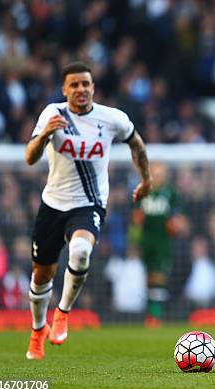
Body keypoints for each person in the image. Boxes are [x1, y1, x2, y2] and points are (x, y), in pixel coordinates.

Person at [24, 61, 152, 360]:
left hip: (89, 203)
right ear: (64, 89)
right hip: (53, 204)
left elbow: (137, 145)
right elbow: (30, 158)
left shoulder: (111, 118)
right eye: (75, 84)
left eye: (86, 84)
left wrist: (146, 180)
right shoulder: (53, 114)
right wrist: (44, 136)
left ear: (93, 87)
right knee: (42, 274)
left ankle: (63, 312)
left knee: (81, 250)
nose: (81, 89)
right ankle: (36, 331)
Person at [131, 162, 185, 327]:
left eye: (160, 173)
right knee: (148, 277)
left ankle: (156, 314)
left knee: (159, 276)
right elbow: (136, 217)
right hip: (146, 241)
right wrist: (135, 237)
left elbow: (179, 217)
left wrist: (176, 224)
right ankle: (151, 312)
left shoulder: (171, 193)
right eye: (155, 173)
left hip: (163, 241)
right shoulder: (143, 191)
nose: (158, 176)